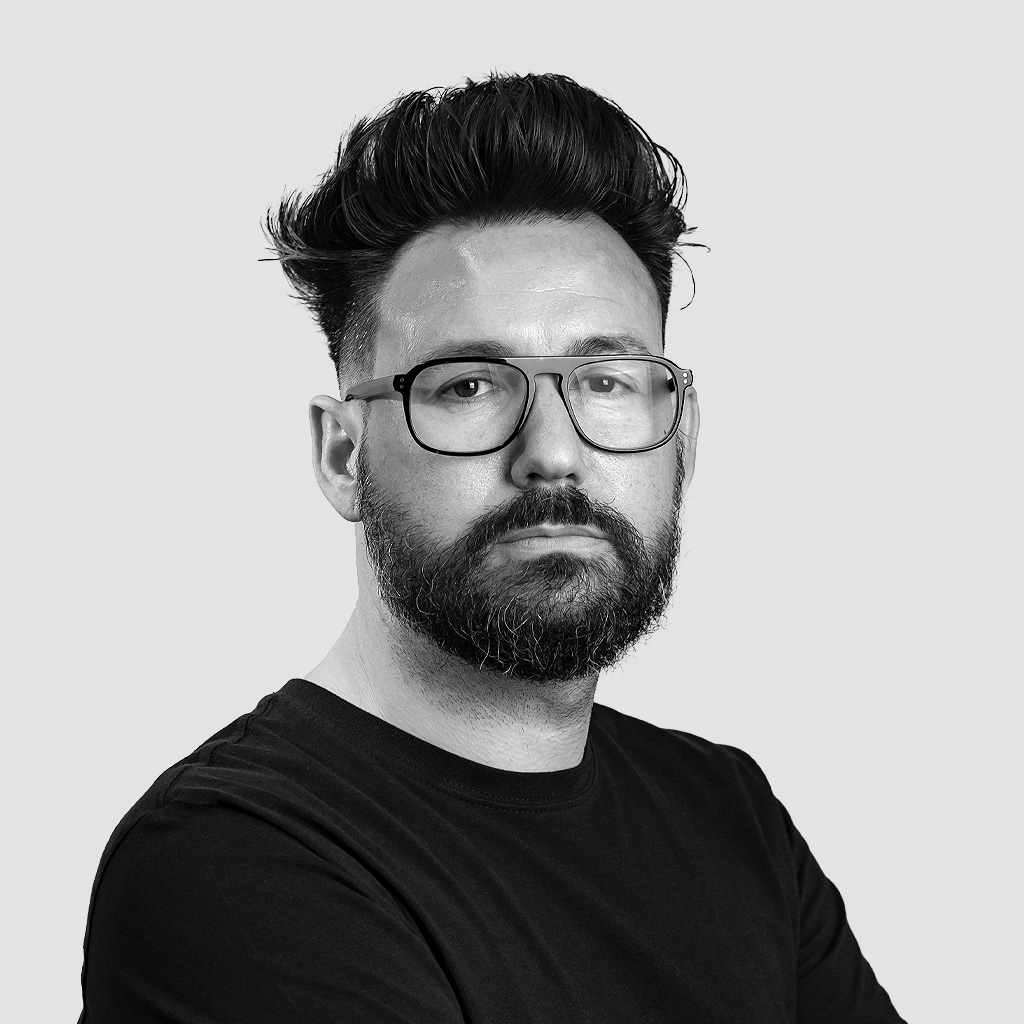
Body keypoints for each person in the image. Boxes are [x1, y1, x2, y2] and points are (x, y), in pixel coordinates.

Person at [78, 73, 905, 1022]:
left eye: (606, 380)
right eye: (468, 386)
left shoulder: (728, 813)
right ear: (343, 456)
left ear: (682, 434)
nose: (553, 453)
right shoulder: (232, 863)